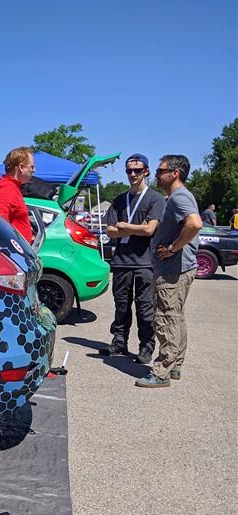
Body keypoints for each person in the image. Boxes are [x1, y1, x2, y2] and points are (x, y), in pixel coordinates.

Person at [135, 155, 203, 388]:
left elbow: (195, 223)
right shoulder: (177, 197)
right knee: (176, 318)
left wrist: (173, 248)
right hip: (178, 269)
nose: (156, 174)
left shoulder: (180, 197)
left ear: (175, 173)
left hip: (172, 271)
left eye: (160, 170)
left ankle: (161, 371)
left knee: (166, 319)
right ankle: (175, 365)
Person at [102, 153, 165, 362]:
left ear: (146, 171)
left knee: (145, 307)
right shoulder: (120, 200)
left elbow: (149, 230)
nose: (132, 174)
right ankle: (119, 341)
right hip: (121, 262)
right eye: (129, 170)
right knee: (121, 305)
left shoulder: (155, 199)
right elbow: (110, 231)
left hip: (145, 262)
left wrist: (125, 226)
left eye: (137, 170)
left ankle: (146, 346)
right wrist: (132, 229)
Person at [0, 146, 33, 243]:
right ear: (21, 167)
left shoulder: (11, 187)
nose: (34, 170)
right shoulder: (7, 188)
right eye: (31, 167)